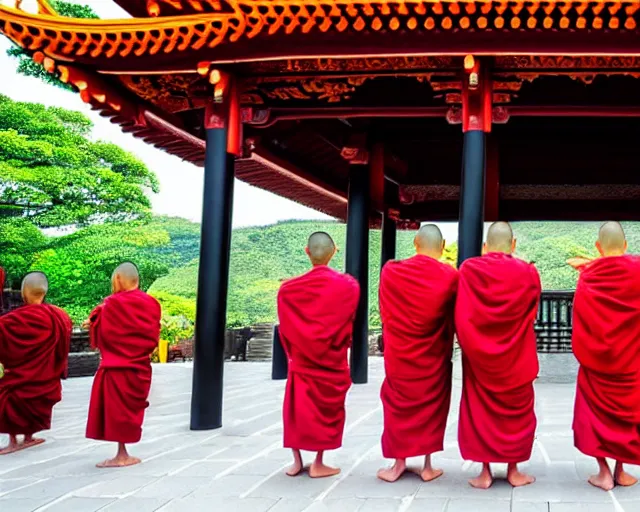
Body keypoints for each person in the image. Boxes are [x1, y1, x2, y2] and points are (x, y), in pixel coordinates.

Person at [455, 222, 541, 488]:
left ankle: (484, 472)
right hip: (516, 358)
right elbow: (532, 310)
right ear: (513, 245)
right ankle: (514, 471)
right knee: (516, 415)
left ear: (484, 247)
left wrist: (474, 348)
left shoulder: (469, 270)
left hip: (480, 359)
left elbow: (461, 315)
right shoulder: (528, 273)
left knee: (480, 413)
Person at [377, 224, 458, 483]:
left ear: (415, 242)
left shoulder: (391, 271)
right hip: (432, 356)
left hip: (401, 355)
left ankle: (398, 464)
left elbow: (385, 311)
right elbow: (455, 317)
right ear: (443, 246)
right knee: (432, 408)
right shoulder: (450, 276)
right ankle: (427, 465)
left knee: (398, 406)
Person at [278, 232, 360, 478]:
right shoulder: (348, 286)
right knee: (327, 411)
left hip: (302, 362)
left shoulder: (288, 290)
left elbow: (285, 329)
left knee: (295, 410)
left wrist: (294, 354)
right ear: (334, 252)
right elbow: (348, 322)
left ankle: (296, 462)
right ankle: (319, 461)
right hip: (331, 363)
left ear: (307, 252)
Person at [570, 221, 640, 491]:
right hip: (632, 361)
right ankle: (621, 471)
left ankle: (603, 473)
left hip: (597, 363)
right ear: (625, 245)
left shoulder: (589, 276)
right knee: (629, 416)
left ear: (598, 247)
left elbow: (583, 317)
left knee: (594, 415)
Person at [85, 262, 161, 468]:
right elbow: (152, 336)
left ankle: (121, 455)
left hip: (116, 367)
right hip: (139, 367)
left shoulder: (110, 305)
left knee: (116, 411)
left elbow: (103, 338)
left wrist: (94, 321)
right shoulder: (152, 304)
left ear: (118, 279)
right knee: (127, 410)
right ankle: (122, 452)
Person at [0, 272, 71, 454]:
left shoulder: (11, 321)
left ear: (23, 293)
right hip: (45, 376)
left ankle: (14, 441)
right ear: (44, 293)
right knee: (34, 400)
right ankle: (29, 436)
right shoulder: (59, 316)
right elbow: (61, 348)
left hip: (19, 376)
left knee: (9, 396)